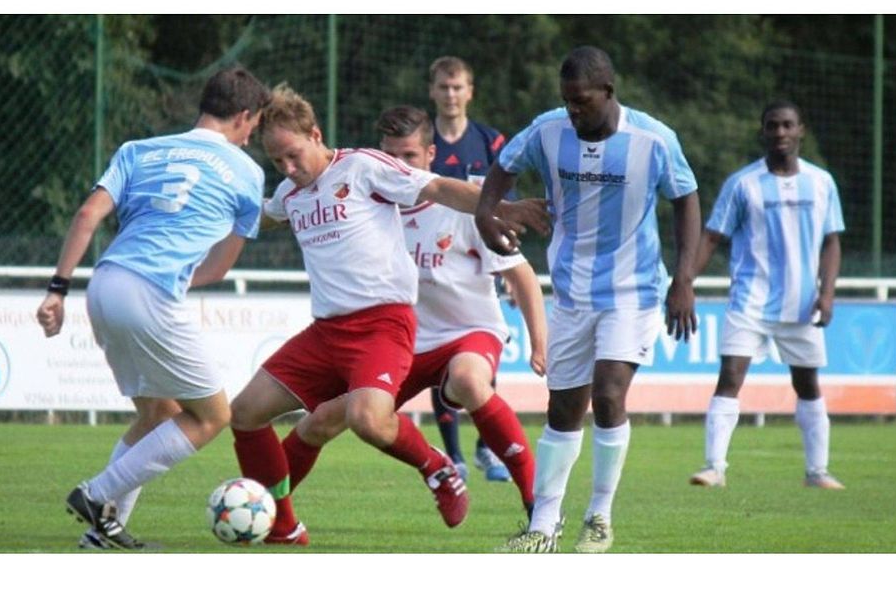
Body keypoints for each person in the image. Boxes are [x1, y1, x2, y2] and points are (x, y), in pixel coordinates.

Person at [228, 86, 548, 545]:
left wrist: (498, 206)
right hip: (328, 333)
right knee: (247, 413)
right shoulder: (289, 193)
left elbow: (437, 186)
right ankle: (280, 524)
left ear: (316, 134)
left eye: (294, 155)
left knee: (371, 417)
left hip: (385, 324)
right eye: (278, 161)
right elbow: (263, 216)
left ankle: (446, 469)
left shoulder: (362, 167)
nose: (289, 169)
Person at [475, 46, 701, 553]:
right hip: (572, 290)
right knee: (562, 408)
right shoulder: (548, 130)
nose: (573, 111)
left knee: (608, 394)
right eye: (567, 101)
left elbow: (686, 198)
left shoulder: (653, 139)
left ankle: (599, 516)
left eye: (581, 102)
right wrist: (486, 216)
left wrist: (684, 279)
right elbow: (502, 168)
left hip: (634, 291)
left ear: (608, 93)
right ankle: (544, 527)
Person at [36, 66, 271, 550]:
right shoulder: (248, 173)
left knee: (159, 413)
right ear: (244, 116)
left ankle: (101, 534)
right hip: (151, 291)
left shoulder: (137, 150)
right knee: (212, 416)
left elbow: (86, 216)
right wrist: (173, 284)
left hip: (103, 284)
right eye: (255, 126)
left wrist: (57, 290)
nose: (252, 137)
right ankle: (96, 494)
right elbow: (218, 270)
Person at [689, 100, 846, 491]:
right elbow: (712, 236)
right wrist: (684, 282)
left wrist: (827, 294)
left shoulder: (821, 182)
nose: (780, 132)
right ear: (763, 131)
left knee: (807, 384)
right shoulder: (742, 184)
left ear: (801, 130)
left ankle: (817, 472)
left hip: (801, 303)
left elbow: (831, 241)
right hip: (750, 301)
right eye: (772, 126)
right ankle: (714, 468)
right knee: (730, 376)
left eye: (787, 125)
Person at [427, 55, 513, 482]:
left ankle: (487, 448)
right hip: (429, 266)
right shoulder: (423, 143)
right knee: (438, 358)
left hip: (478, 265)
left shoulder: (491, 142)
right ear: (433, 91)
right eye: (443, 87)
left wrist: (508, 264)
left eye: (457, 87)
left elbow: (500, 207)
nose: (450, 95)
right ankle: (455, 455)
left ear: (470, 91)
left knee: (480, 360)